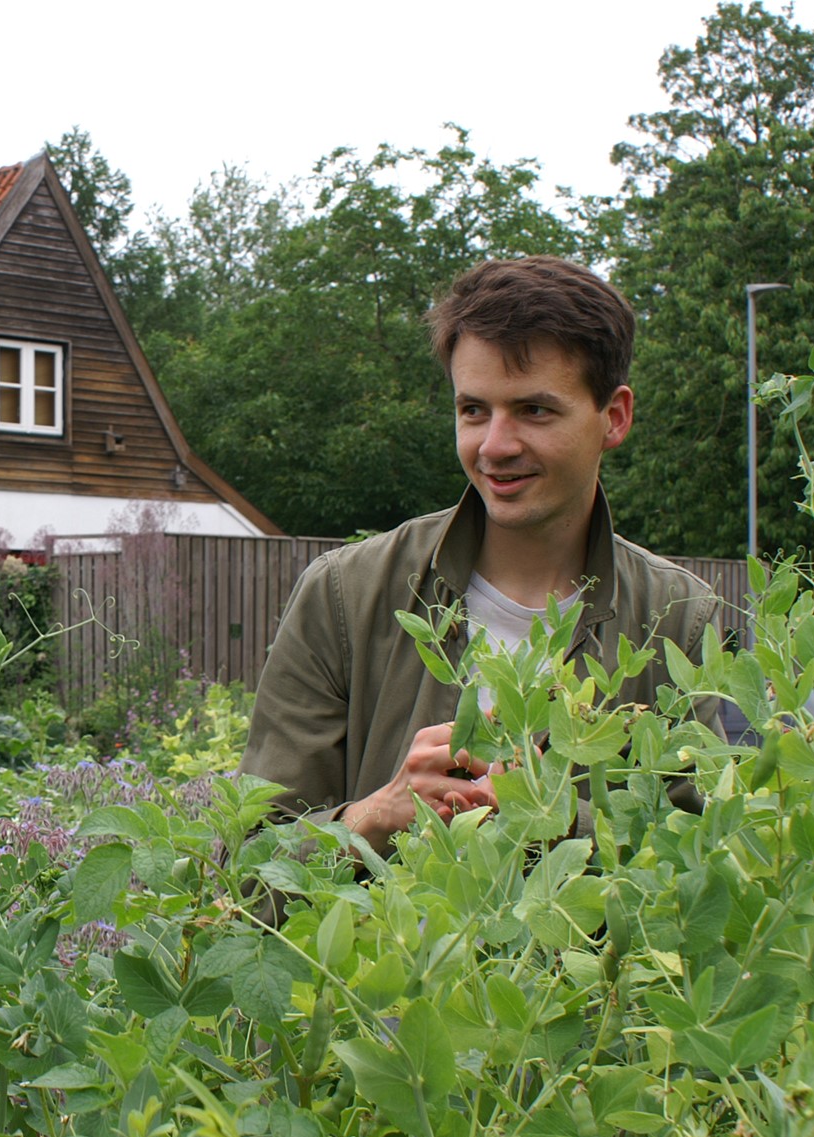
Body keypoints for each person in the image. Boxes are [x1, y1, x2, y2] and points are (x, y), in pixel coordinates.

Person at [239, 256, 722, 852]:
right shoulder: (345, 594)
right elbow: (251, 861)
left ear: (614, 417)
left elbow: (697, 863)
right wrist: (380, 814)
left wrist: (555, 818)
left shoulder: (674, 615)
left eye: (533, 410)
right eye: (474, 410)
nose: (494, 446)